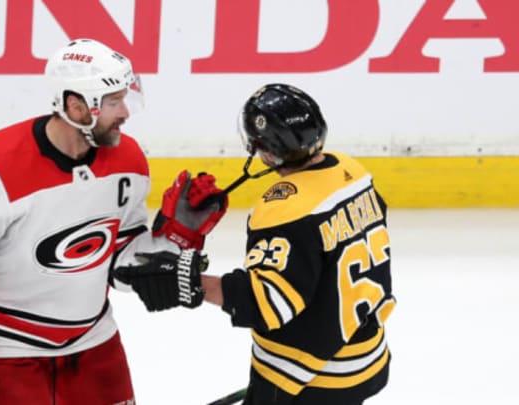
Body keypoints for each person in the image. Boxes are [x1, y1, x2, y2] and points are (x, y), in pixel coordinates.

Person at [0, 38, 226, 405]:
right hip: (7, 353)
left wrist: (175, 237)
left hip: (96, 347)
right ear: (76, 106)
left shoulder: (127, 160)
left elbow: (119, 263)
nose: (125, 112)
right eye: (114, 102)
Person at [114, 83, 396, 404]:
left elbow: (269, 304)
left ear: (267, 150)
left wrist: (187, 282)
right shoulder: (351, 170)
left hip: (309, 378)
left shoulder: (284, 208)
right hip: (369, 355)